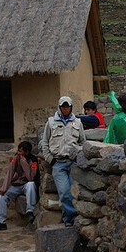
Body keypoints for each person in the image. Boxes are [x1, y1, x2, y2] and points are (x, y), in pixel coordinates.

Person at [39, 96, 86, 227]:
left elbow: (83, 142)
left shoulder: (77, 122)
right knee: (64, 192)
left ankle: (73, 219)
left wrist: (79, 158)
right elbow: (45, 143)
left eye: (68, 106)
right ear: (60, 107)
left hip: (73, 162)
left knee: (75, 192)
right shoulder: (51, 122)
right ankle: (70, 217)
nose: (65, 109)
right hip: (58, 163)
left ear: (71, 107)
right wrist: (50, 160)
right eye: (63, 106)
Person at [0, 142, 38, 232]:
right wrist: (4, 188)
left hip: (27, 184)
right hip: (17, 184)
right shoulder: (15, 158)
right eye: (18, 151)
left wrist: (23, 162)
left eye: (20, 151)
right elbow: (10, 173)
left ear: (26, 152)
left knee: (31, 184)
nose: (18, 153)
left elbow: (30, 177)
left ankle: (30, 212)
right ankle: (0, 223)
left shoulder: (33, 160)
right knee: (2, 196)